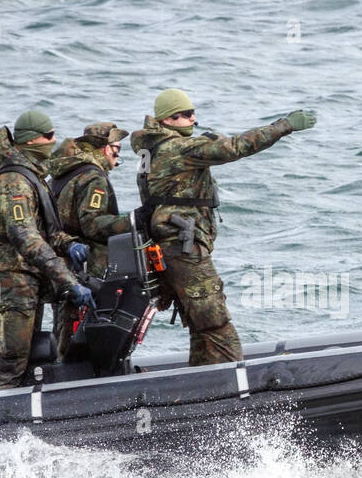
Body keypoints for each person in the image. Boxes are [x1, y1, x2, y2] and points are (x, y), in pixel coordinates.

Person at [130, 89, 315, 366]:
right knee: (216, 323)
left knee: (200, 325)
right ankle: (236, 386)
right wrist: (284, 126)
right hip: (183, 247)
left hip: (170, 245)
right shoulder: (178, 148)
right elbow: (235, 147)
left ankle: (202, 386)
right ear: (170, 119)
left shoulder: (152, 148)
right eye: (187, 114)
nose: (194, 118)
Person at [0, 109, 93, 389]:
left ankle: (24, 415)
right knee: (13, 357)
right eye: (50, 135)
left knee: (32, 355)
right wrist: (69, 282)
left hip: (26, 279)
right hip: (11, 279)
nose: (54, 141)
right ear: (32, 141)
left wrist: (70, 245)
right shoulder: (14, 182)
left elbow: (47, 233)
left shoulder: (32, 177)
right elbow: (26, 238)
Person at [48, 122, 132, 279]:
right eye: (117, 148)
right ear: (107, 149)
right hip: (86, 265)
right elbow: (92, 224)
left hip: (62, 263)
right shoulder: (94, 178)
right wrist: (132, 222)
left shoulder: (65, 171)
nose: (118, 155)